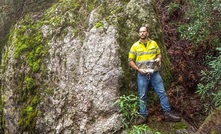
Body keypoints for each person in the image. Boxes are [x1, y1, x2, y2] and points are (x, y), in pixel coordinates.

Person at [128, 26, 181, 124]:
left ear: (148, 33)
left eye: (144, 31)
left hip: (154, 73)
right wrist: (138, 69)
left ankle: (167, 114)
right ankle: (143, 116)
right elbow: (130, 61)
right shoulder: (135, 46)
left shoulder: (154, 43)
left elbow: (159, 54)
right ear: (139, 34)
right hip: (142, 75)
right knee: (142, 96)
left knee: (162, 93)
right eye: (140, 32)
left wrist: (159, 59)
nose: (142, 33)